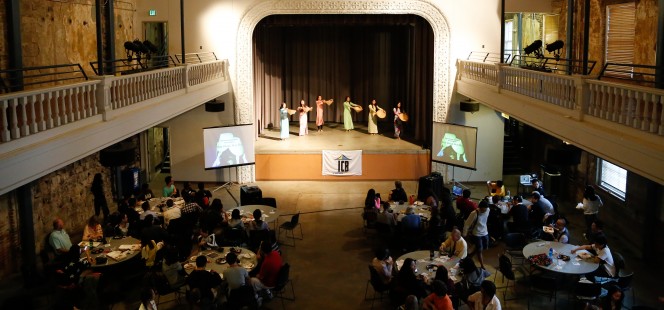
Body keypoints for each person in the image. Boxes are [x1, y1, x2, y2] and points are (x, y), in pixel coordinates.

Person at [463, 200, 490, 269]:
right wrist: (464, 234)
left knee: (483, 248)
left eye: (485, 210)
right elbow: (467, 224)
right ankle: (482, 265)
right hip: (477, 234)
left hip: (485, 232)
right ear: (479, 208)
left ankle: (470, 256)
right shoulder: (474, 213)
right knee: (479, 250)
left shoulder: (488, 210)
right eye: (482, 210)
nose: (484, 211)